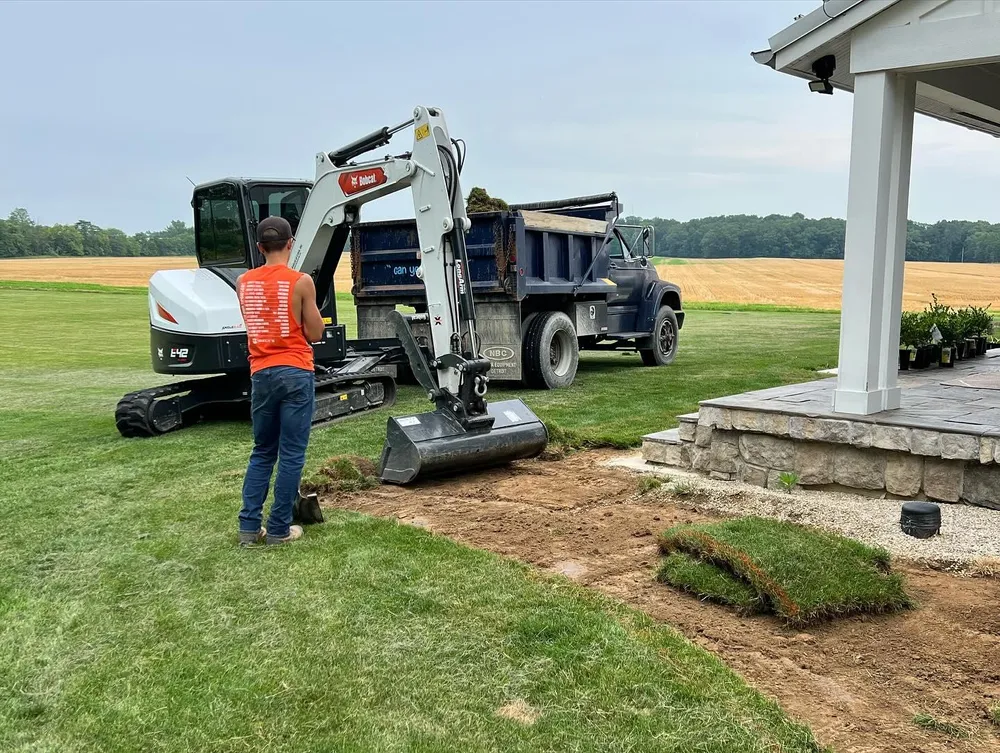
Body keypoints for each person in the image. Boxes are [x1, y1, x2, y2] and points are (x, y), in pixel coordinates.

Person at [235, 216, 325, 546]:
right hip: (295, 370)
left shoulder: (243, 282)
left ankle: (248, 528)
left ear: (260, 247)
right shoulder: (300, 282)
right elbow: (314, 332)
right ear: (291, 244)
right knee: (291, 454)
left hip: (261, 372)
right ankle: (278, 529)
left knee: (262, 452)